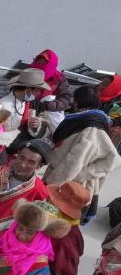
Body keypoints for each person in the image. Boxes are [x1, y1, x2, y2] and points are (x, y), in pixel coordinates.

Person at [44, 85, 121, 219]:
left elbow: (74, 162)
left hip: (67, 185)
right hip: (67, 179)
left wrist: (55, 183)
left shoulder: (91, 127)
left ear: (78, 101)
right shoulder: (86, 121)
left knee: (52, 219)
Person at [0, 139, 52, 223]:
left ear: (39, 166)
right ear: (17, 155)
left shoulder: (39, 192)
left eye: (31, 162)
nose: (22, 164)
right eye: (21, 158)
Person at [0, 67, 50, 133]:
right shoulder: (2, 104)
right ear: (28, 89)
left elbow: (45, 119)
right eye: (38, 90)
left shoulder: (32, 103)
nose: (39, 93)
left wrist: (37, 123)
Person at [29, 48, 74, 118]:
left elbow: (65, 99)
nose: (41, 65)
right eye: (39, 62)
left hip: (48, 112)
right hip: (28, 109)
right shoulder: (28, 73)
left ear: (51, 64)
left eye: (44, 63)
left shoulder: (59, 78)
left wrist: (46, 105)